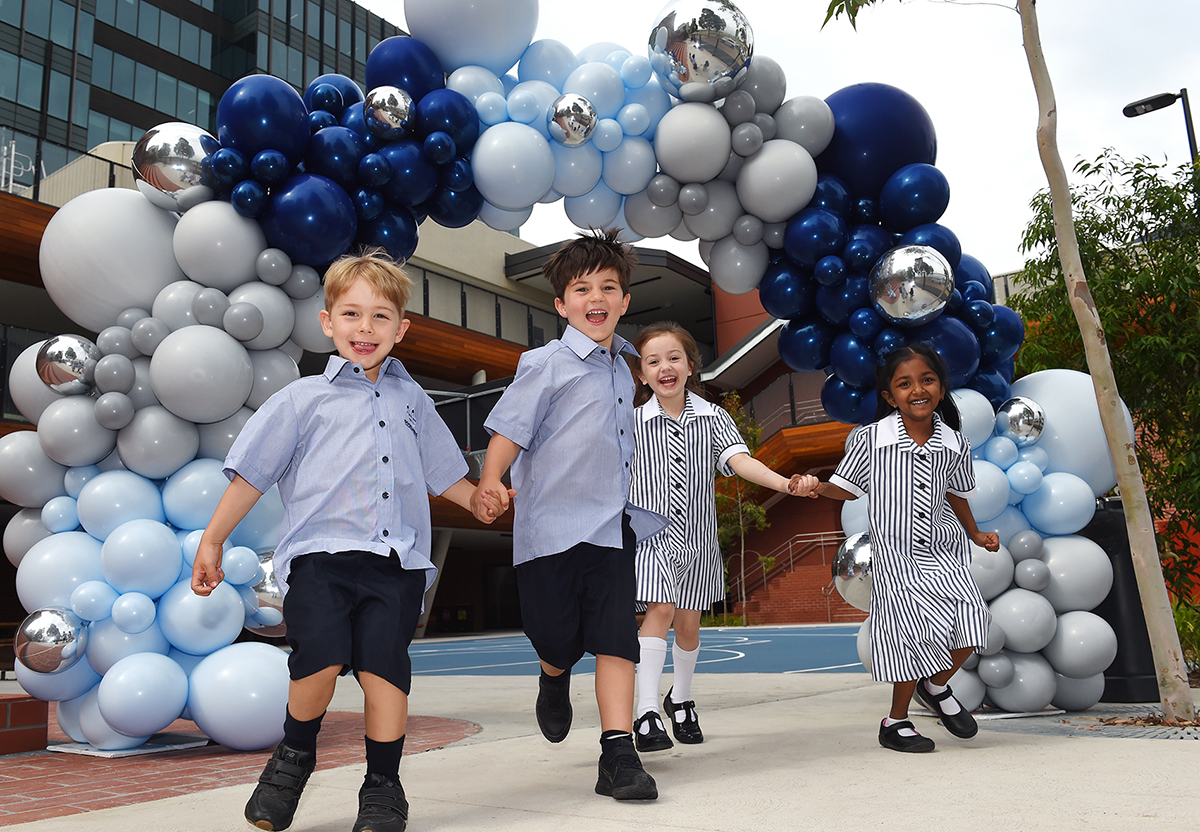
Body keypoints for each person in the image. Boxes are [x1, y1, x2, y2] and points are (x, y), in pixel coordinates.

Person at [192, 249, 504, 832]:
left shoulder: (414, 401)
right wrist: (213, 541)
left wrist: (478, 498)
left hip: (396, 560)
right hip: (321, 559)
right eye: (353, 315)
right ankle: (292, 761)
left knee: (386, 669)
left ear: (401, 329)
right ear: (328, 322)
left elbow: (444, 475)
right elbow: (251, 474)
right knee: (320, 658)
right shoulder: (300, 399)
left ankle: (383, 787)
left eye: (381, 317)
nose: (366, 329)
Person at [470, 228, 664, 801]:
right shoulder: (544, 364)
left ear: (625, 301)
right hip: (549, 530)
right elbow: (510, 429)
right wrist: (489, 480)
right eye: (582, 289)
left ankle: (618, 755)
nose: (596, 297)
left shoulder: (626, 366)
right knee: (554, 637)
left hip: (612, 526)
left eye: (609, 287)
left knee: (614, 639)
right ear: (561, 304)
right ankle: (553, 675)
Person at [626, 321, 819, 752]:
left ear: (691, 365)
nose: (665, 367)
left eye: (674, 357)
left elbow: (740, 461)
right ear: (641, 374)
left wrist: (785, 484)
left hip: (698, 541)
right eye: (652, 361)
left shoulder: (713, 418)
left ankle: (682, 698)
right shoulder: (631, 422)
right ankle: (646, 712)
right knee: (658, 610)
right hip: (651, 538)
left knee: (689, 626)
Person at [813, 343, 999, 753]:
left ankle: (935, 686)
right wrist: (814, 486)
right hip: (895, 555)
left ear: (942, 387)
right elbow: (845, 489)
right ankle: (895, 721)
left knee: (973, 621)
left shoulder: (954, 442)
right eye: (904, 383)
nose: (918, 389)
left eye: (927, 379)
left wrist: (975, 534)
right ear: (889, 396)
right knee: (913, 638)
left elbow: (956, 494)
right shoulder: (871, 439)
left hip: (941, 547)